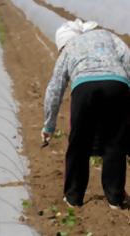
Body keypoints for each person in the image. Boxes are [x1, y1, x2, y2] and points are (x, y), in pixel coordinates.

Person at [41, 19, 130, 209]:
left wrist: (49, 126)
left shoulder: (69, 48)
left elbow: (54, 89)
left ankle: (73, 198)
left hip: (85, 87)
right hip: (117, 84)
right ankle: (115, 199)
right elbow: (128, 61)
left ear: (63, 43)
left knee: (79, 143)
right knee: (115, 142)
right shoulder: (109, 36)